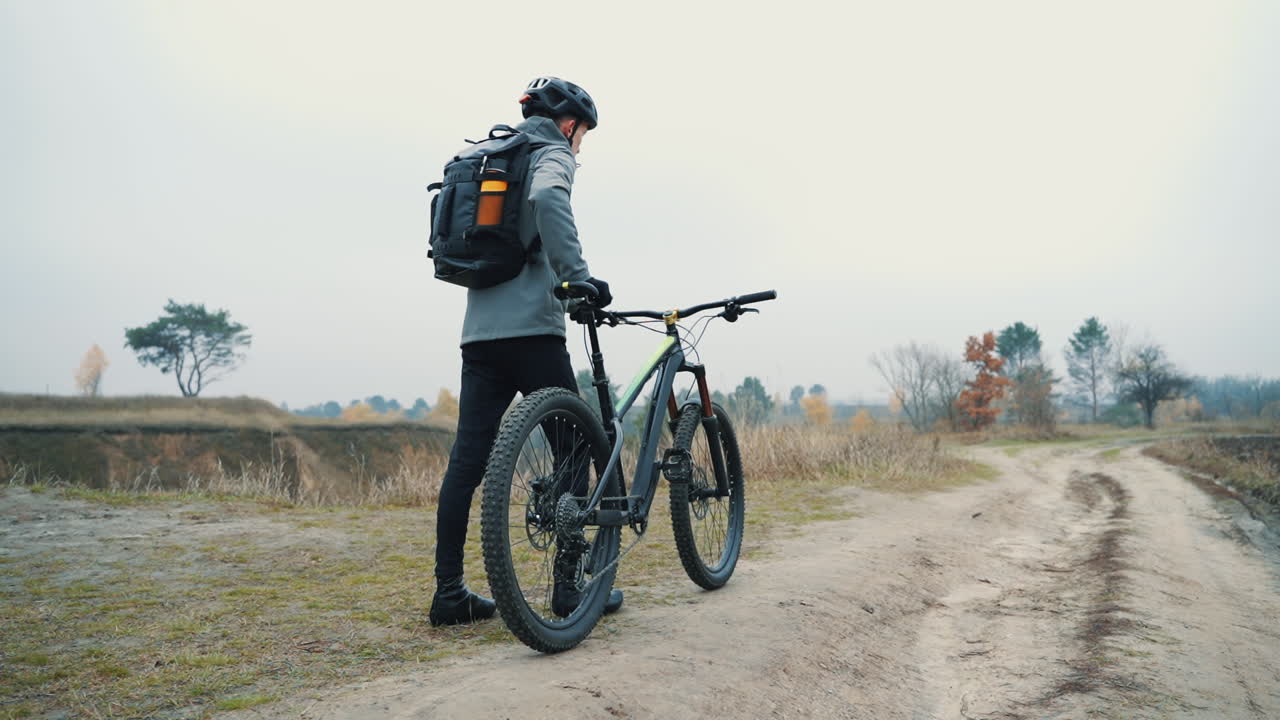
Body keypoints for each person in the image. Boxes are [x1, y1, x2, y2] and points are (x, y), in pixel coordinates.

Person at [429, 77, 624, 626]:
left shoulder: (494, 156)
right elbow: (547, 198)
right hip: (535, 333)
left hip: (479, 334)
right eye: (582, 134)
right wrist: (577, 279)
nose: (579, 144)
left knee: (467, 464)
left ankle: (448, 595)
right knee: (581, 445)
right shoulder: (549, 153)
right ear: (570, 124)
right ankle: (569, 590)